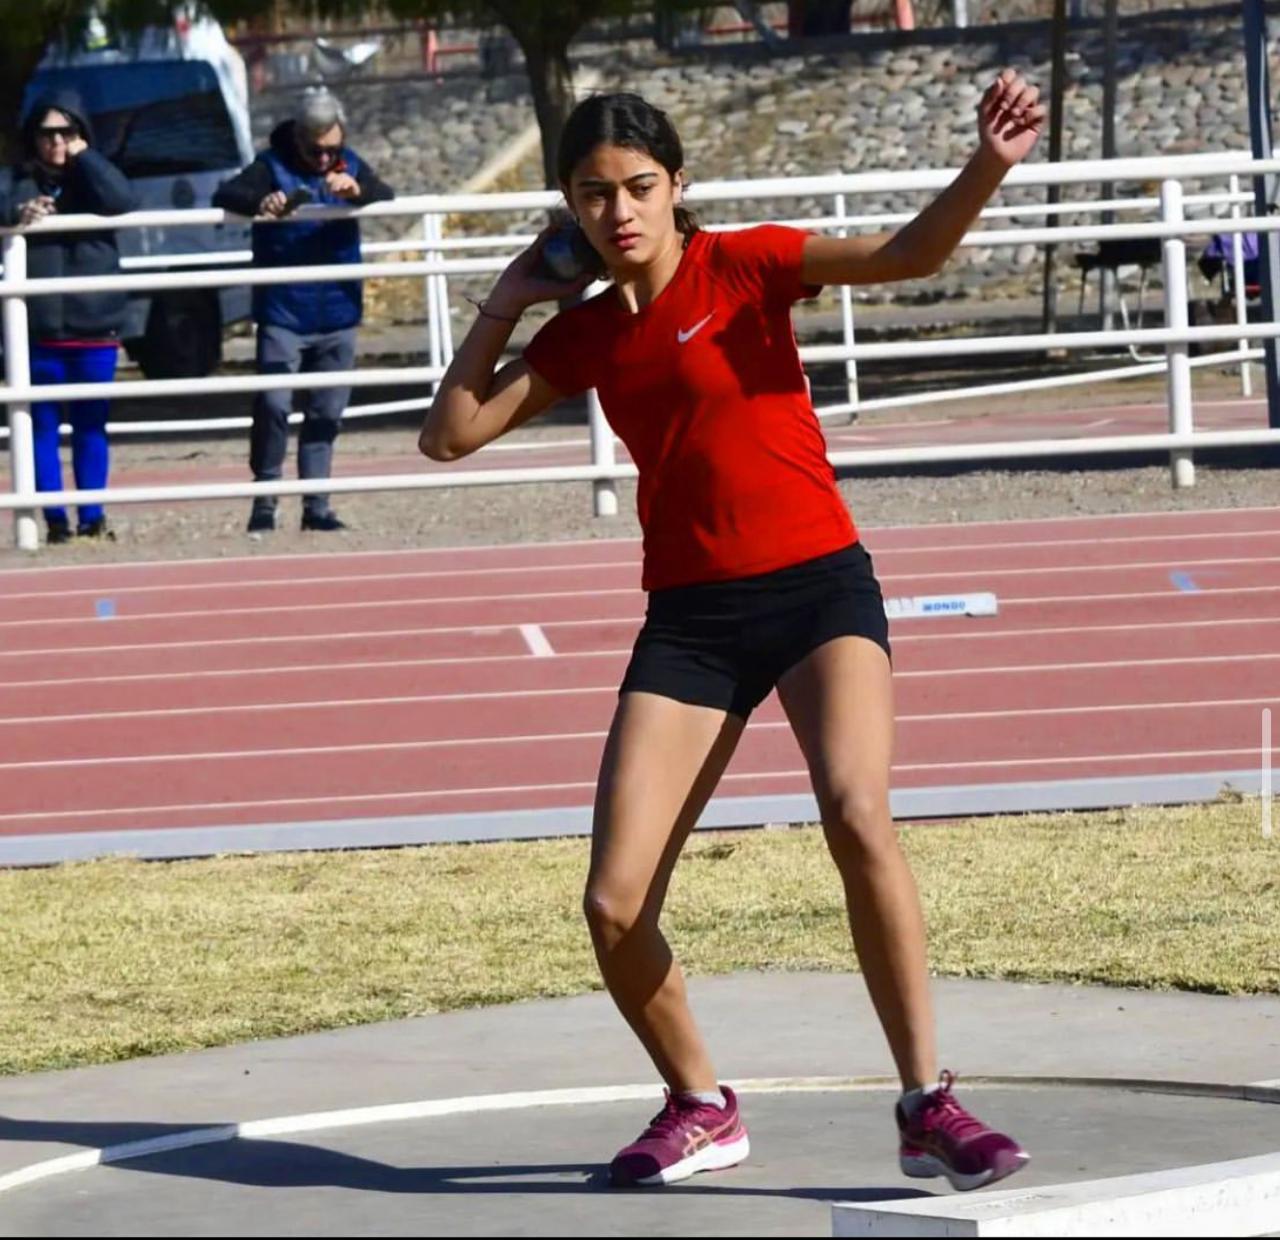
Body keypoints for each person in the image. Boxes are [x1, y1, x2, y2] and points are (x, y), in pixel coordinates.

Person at [419, 78, 1045, 1192]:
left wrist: (986, 163)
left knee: (855, 811)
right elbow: (448, 435)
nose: (618, 211)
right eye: (592, 194)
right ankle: (700, 1104)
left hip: (817, 589)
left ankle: (925, 1102)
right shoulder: (583, 335)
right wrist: (507, 299)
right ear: (568, 206)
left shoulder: (746, 263)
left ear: (677, 188)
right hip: (692, 621)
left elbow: (908, 258)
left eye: (638, 187)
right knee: (612, 901)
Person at [213, 86, 394, 534]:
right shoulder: (268, 165)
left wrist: (358, 191)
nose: (324, 158)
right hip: (283, 312)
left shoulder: (349, 163)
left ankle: (317, 505)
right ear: (297, 138)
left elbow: (384, 192)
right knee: (274, 403)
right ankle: (265, 498)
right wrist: (263, 203)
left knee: (327, 411)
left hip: (338, 310)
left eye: (332, 149)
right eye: (315, 150)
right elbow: (227, 195)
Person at [0, 91, 137, 544]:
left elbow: (121, 200)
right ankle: (55, 520)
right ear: (32, 137)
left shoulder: (95, 175)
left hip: (95, 325)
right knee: (39, 425)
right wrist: (17, 215)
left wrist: (87, 158)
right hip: (37, 330)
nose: (56, 141)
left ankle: (92, 517)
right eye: (47, 133)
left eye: (67, 131)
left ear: (82, 133)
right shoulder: (17, 180)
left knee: (91, 423)